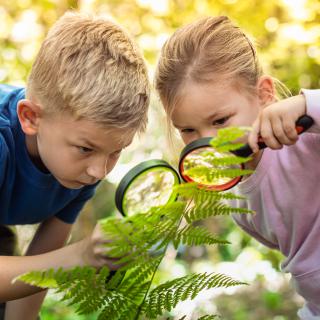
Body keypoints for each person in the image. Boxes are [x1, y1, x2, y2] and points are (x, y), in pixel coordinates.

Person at [154, 16, 320, 319]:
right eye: (188, 130)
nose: (210, 144)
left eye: (220, 121)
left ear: (263, 94)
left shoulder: (306, 136)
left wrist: (307, 106)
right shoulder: (235, 200)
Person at [0, 11, 150, 320]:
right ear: (30, 118)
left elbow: (42, 266)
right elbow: (60, 262)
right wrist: (80, 255)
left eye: (116, 152)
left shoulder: (83, 165)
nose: (100, 171)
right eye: (85, 149)